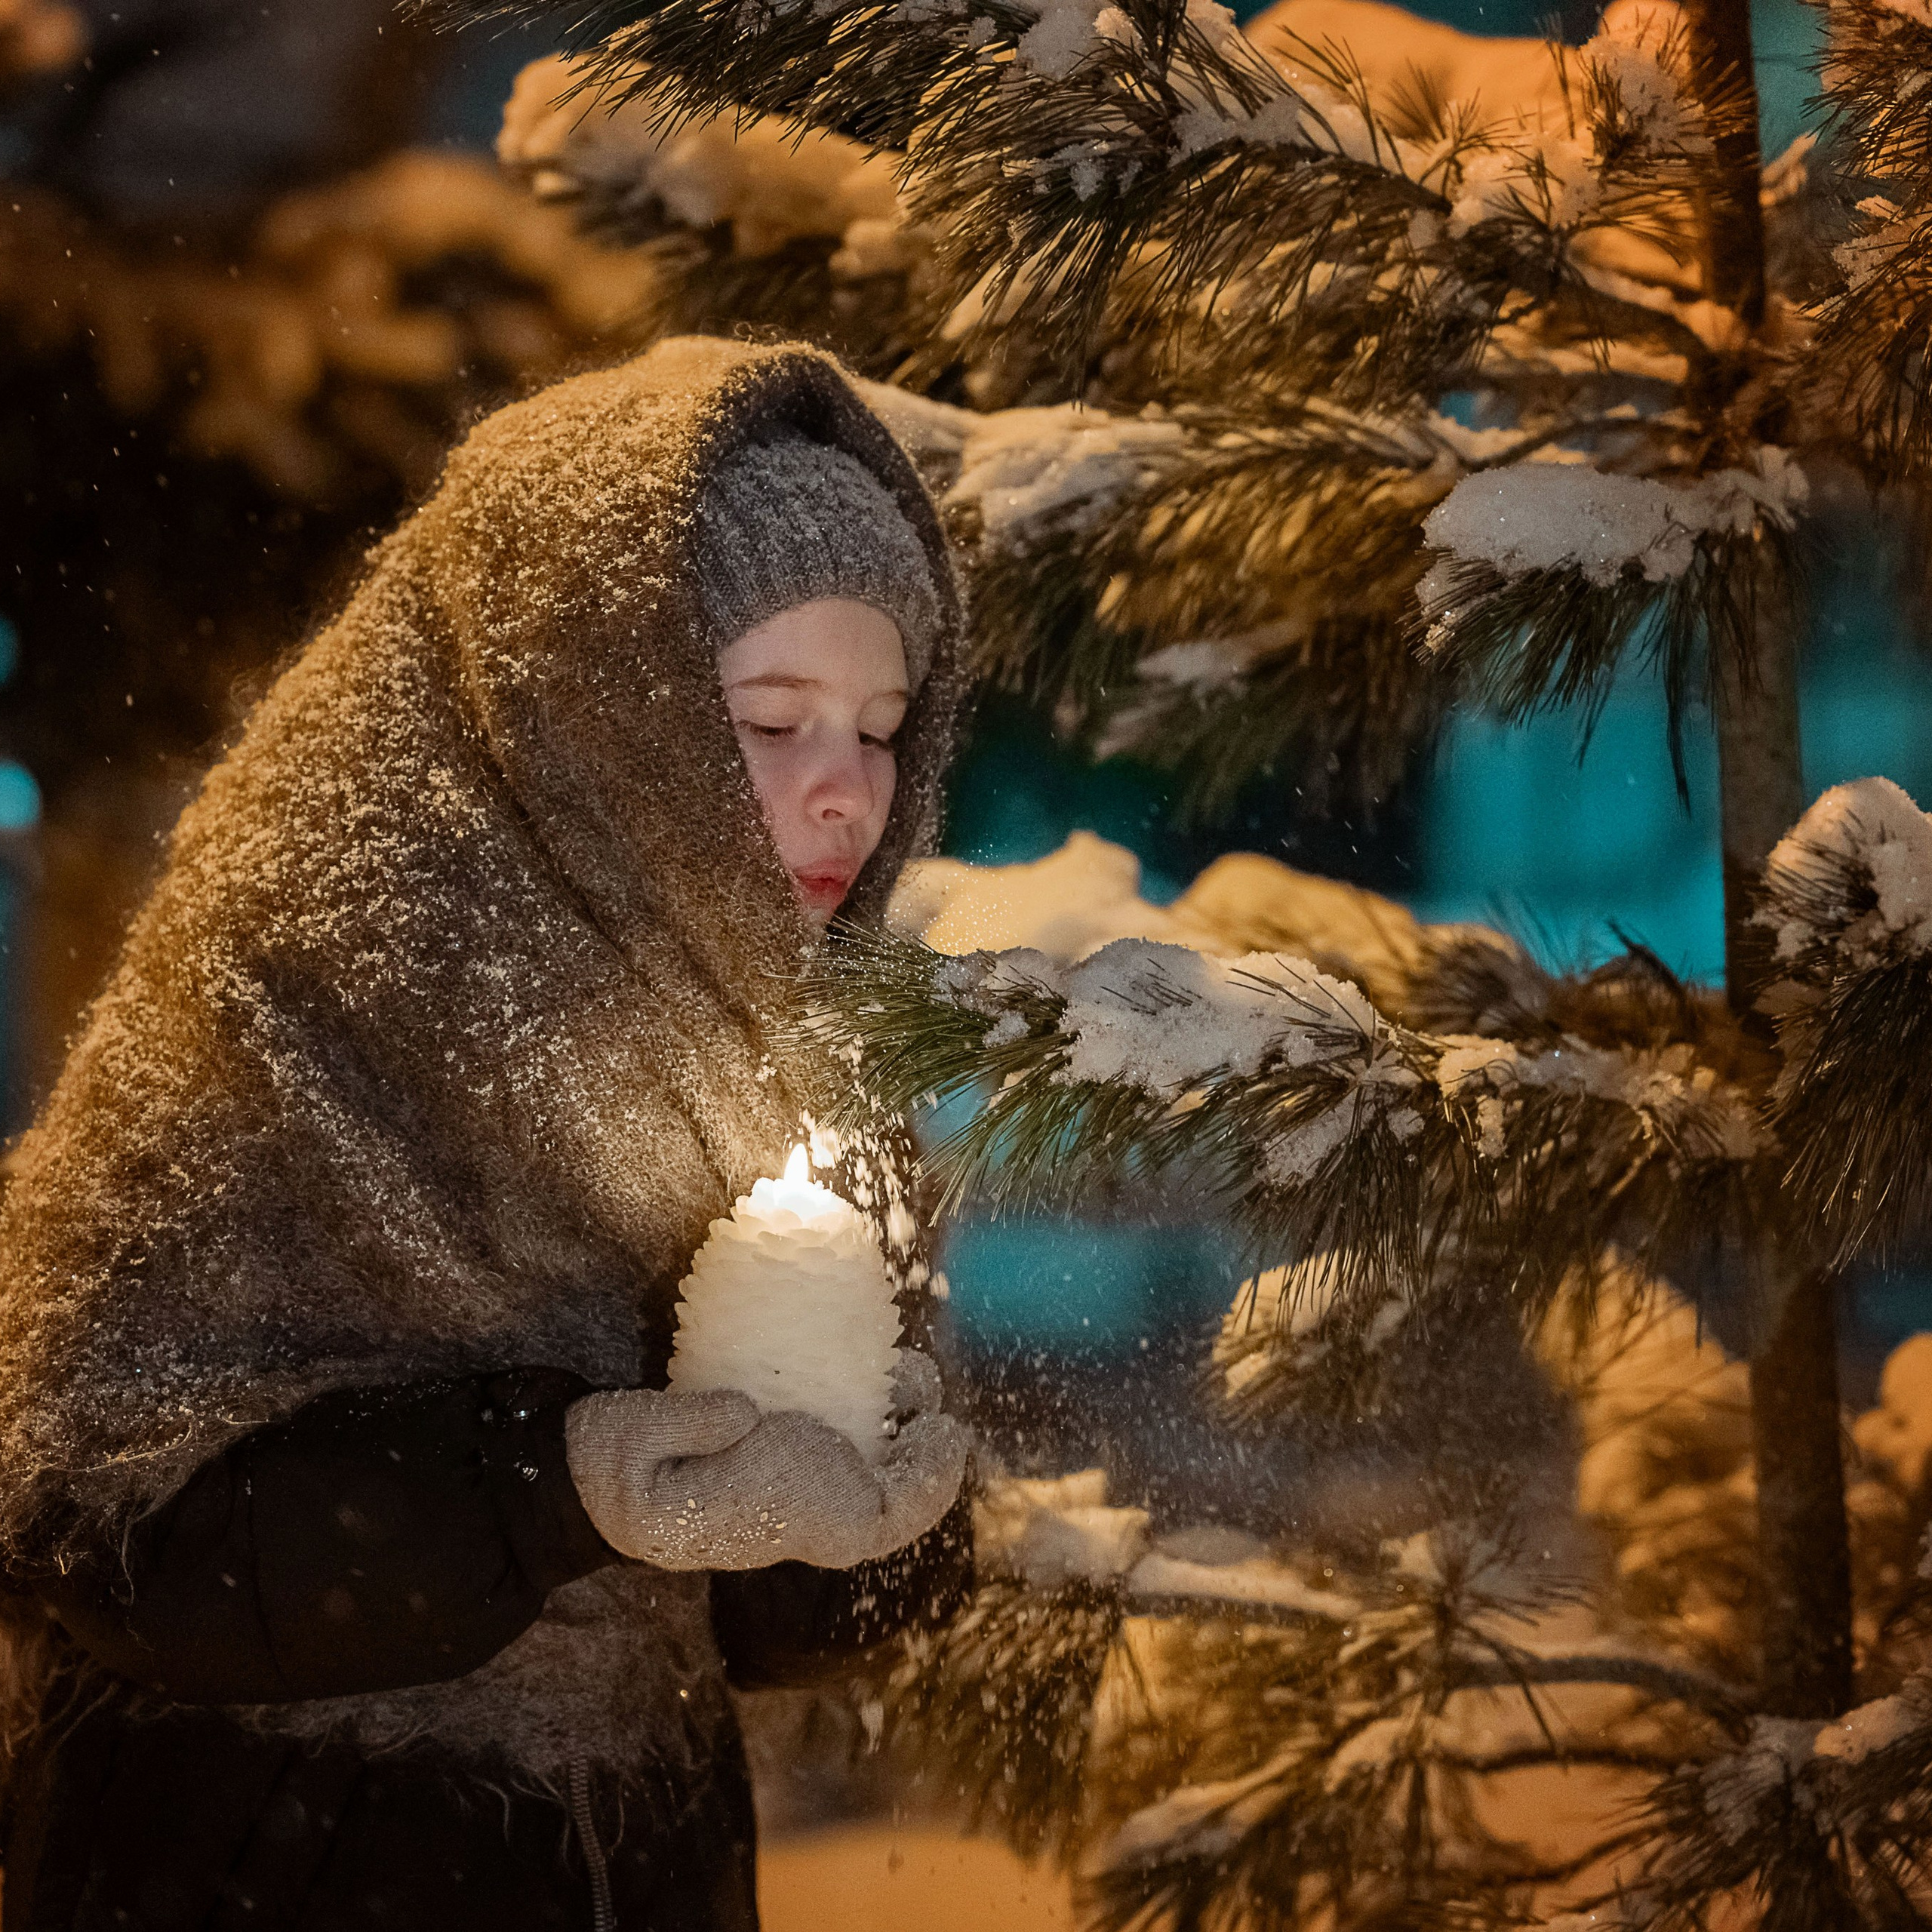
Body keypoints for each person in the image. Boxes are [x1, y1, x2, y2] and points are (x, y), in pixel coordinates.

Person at [0, 336, 973, 1929]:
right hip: (269, 1854)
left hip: (642, 1853)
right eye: (770, 714)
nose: (841, 793)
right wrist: (554, 1474)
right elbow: (92, 1510)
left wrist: (862, 1523)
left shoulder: (809, 1038)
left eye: (877, 726)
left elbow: (780, 1627)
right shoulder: (305, 979)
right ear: (590, 707)